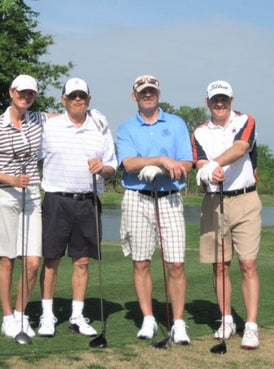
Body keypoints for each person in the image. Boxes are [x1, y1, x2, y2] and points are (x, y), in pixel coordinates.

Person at [37, 78, 118, 337]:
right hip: (56, 200)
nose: (77, 99)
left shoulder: (101, 127)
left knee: (82, 262)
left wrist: (101, 168)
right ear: (63, 100)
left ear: (89, 100)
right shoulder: (49, 126)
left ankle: (76, 316)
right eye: (72, 96)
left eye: (82, 95)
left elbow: (112, 166)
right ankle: (47, 316)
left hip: (87, 201)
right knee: (51, 260)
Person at [116, 75, 193, 345]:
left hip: (169, 197)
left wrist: (167, 168)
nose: (148, 95)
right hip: (137, 197)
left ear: (158, 93)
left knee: (175, 264)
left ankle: (179, 323)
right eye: (142, 92)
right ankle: (148, 318)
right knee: (141, 262)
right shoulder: (126, 128)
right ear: (134, 96)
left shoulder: (175, 124)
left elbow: (187, 162)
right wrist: (160, 160)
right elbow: (127, 163)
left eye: (152, 91)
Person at [192, 80, 261, 350]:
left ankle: (251, 326)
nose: (219, 103)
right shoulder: (199, 132)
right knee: (219, 265)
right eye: (215, 99)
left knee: (248, 264)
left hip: (245, 199)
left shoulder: (246, 120)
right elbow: (197, 161)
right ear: (207, 102)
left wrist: (212, 166)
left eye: (224, 99)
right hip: (214, 201)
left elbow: (241, 147)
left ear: (232, 100)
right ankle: (226, 319)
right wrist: (208, 172)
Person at [0, 74, 45, 339]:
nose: (25, 96)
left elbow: (62, 115)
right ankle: (8, 318)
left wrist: (90, 112)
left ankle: (21, 313)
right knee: (7, 258)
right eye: (22, 92)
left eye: (30, 93)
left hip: (31, 197)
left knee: (32, 263)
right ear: (11, 92)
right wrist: (10, 179)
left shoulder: (38, 120)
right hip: (4, 196)